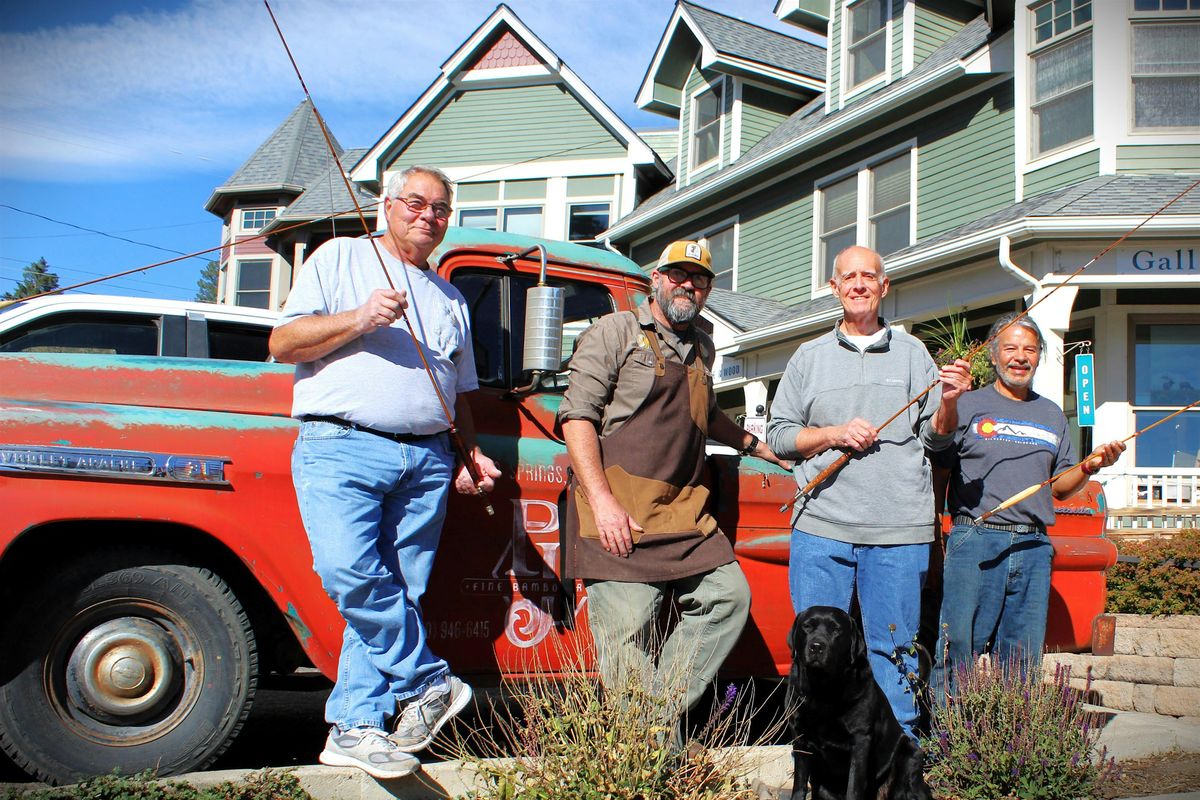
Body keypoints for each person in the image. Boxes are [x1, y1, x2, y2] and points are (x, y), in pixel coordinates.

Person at [269, 165, 500, 779]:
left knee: (404, 589)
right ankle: (427, 679)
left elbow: (462, 390)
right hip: (342, 444)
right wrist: (360, 319)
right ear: (387, 205)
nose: (428, 216)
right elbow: (283, 343)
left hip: (426, 457)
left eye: (441, 209)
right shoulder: (339, 258)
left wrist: (468, 452)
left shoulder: (450, 298)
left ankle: (356, 726)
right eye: (417, 203)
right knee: (348, 570)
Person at [557, 240, 786, 718]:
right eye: (678, 275)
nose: (688, 285)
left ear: (707, 290)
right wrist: (601, 503)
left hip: (683, 512)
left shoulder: (703, 343)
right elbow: (577, 417)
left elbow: (706, 413)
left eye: (699, 279)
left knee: (728, 597)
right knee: (630, 633)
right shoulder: (613, 331)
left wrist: (756, 446)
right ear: (655, 280)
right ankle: (649, 761)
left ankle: (654, 722)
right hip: (620, 511)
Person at [766, 245, 971, 738]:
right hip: (821, 529)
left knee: (893, 649)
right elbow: (779, 437)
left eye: (868, 276)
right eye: (848, 277)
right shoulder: (807, 358)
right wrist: (832, 434)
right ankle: (819, 756)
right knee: (817, 652)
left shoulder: (913, 353)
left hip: (898, 530)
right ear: (834, 288)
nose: (858, 284)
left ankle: (896, 763)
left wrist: (949, 401)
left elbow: (936, 437)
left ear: (884, 286)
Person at [933, 313, 1124, 695]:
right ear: (993, 354)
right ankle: (949, 743)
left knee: (1021, 657)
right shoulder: (967, 405)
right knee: (959, 648)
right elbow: (940, 470)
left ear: (1039, 357)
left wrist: (1090, 466)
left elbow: (1062, 487)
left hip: (1034, 546)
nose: (1020, 357)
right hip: (975, 539)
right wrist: (938, 533)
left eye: (1030, 349)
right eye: (1010, 348)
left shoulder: (1052, 414)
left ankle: (1012, 742)